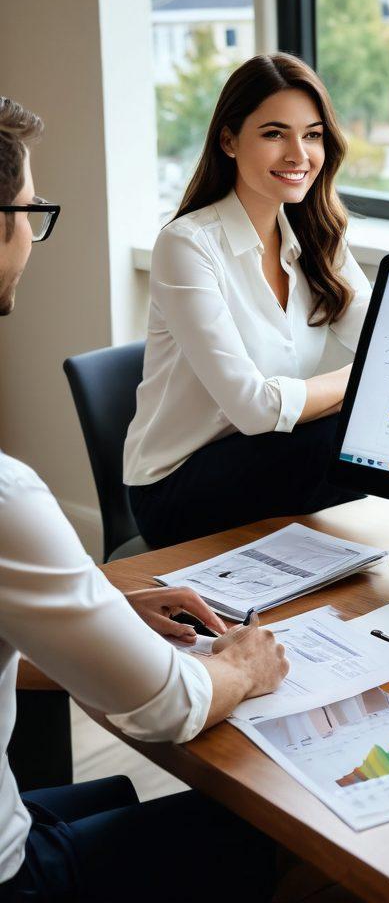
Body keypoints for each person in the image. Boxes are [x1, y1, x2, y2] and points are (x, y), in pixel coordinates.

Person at [0, 97, 289, 901]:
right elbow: (165, 709)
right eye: (31, 210)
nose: (33, 233)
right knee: (275, 842)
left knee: (117, 796)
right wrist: (243, 664)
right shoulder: (6, 495)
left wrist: (91, 618)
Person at [124, 53, 371, 547]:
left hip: (272, 455)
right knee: (347, 441)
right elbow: (254, 409)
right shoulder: (187, 245)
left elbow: (381, 337)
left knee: (366, 437)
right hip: (178, 487)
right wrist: (362, 378)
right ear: (229, 140)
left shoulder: (318, 235)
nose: (299, 154)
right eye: (274, 133)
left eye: (313, 134)